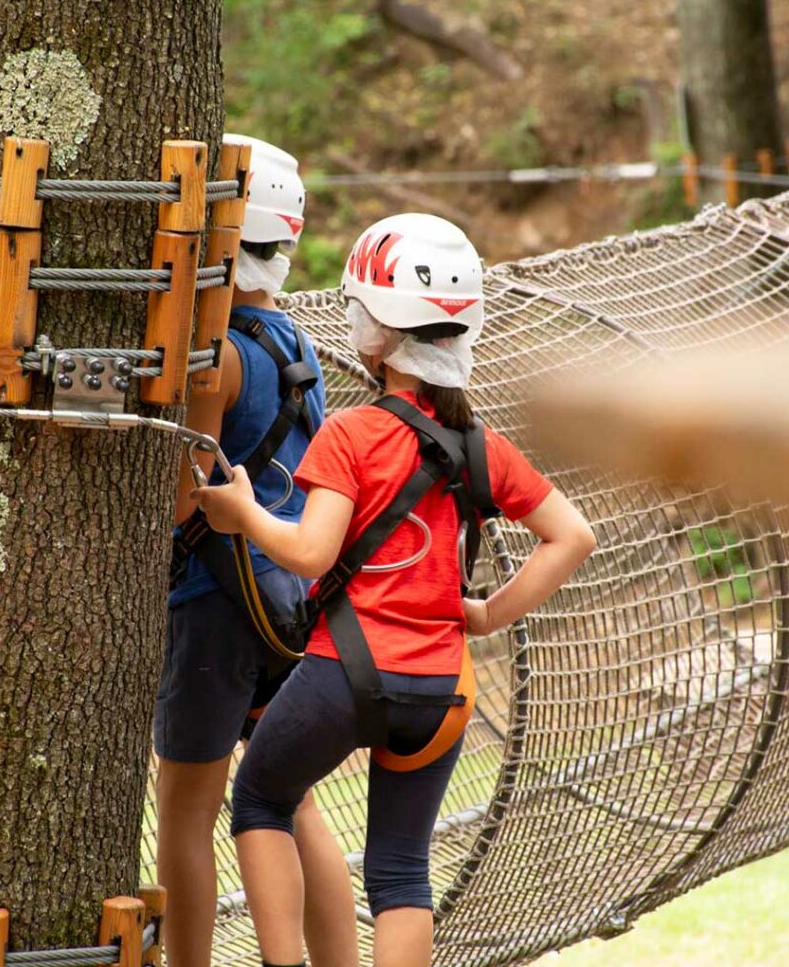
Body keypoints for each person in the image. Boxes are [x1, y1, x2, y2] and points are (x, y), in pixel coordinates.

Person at [195, 213, 597, 967]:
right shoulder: (482, 446)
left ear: (377, 331)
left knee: (259, 800)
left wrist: (243, 513)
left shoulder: (351, 435)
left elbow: (312, 554)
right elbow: (573, 535)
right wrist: (482, 616)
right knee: (401, 873)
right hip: (443, 690)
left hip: (341, 677)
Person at [154, 135, 358, 967]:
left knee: (186, 813)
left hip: (211, 610)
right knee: (285, 798)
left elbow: (182, 489)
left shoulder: (217, 360)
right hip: (282, 607)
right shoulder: (291, 338)